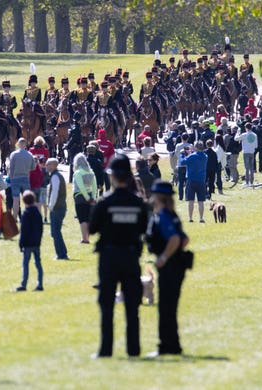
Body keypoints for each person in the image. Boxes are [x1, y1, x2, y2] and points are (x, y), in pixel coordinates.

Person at [89, 154, 148, 358]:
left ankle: (106, 350)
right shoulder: (138, 202)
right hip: (131, 255)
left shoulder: (106, 202)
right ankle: (134, 349)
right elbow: (143, 227)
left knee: (107, 305)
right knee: (132, 306)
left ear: (113, 176)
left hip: (109, 256)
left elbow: (93, 229)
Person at [146, 181, 190, 356]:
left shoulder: (163, 215)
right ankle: (174, 345)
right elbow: (184, 239)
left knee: (166, 308)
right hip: (177, 266)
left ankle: (166, 346)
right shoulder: (172, 214)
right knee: (170, 308)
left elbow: (175, 239)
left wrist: (164, 257)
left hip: (169, 267)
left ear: (159, 197)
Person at [16, 191, 44, 292]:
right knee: (38, 264)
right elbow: (41, 228)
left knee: (25, 264)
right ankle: (40, 284)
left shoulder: (26, 214)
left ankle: (24, 284)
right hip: (36, 242)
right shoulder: (37, 213)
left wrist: (21, 243)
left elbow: (24, 231)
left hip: (27, 243)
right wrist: (39, 239)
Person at [46, 158, 68, 260]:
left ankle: (61, 254)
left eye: (48, 164)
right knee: (56, 232)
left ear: (54, 166)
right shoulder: (56, 176)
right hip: (60, 207)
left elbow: (54, 193)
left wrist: (50, 206)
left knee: (55, 232)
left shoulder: (55, 177)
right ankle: (62, 253)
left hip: (57, 208)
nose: (46, 166)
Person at [72, 153, 97, 244]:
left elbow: (80, 186)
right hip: (90, 196)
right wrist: (93, 197)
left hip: (80, 196)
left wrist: (86, 197)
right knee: (87, 218)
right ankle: (87, 237)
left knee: (82, 219)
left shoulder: (78, 173)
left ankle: (84, 239)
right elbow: (95, 186)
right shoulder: (91, 172)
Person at [180, 141, 208, 222]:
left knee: (191, 200)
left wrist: (183, 154)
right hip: (201, 180)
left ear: (195, 147)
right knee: (201, 201)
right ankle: (201, 218)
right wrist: (191, 153)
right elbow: (197, 156)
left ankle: (191, 218)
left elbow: (182, 162)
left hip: (191, 180)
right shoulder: (205, 156)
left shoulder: (192, 156)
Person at [8, 138, 35, 219]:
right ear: (25, 144)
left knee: (15, 199)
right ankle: (28, 216)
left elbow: (11, 167)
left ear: (18, 144)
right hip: (26, 178)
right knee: (27, 199)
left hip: (15, 178)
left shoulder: (14, 154)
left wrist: (11, 177)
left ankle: (15, 218)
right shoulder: (30, 155)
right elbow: (33, 168)